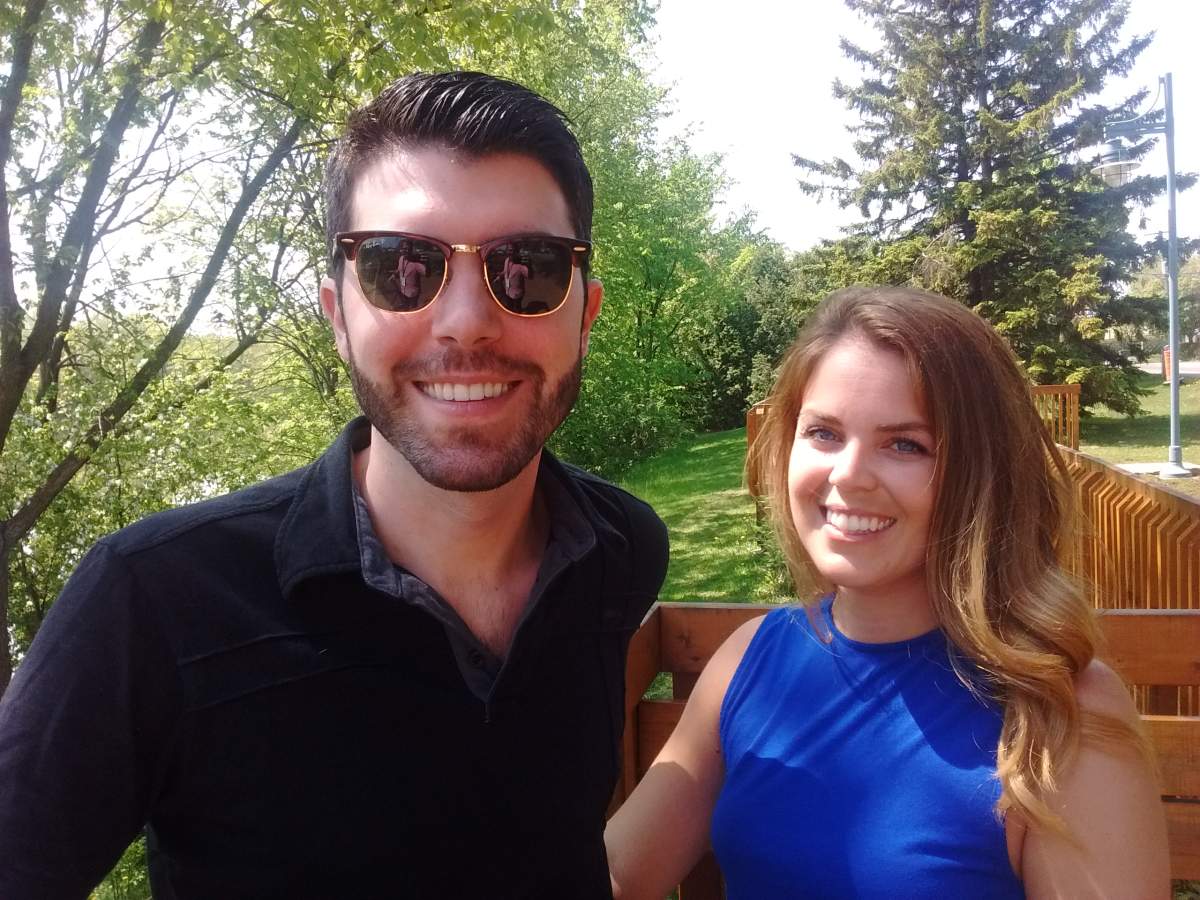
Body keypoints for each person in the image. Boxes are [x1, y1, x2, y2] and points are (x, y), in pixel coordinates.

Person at [0, 71, 668, 898]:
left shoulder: (619, 548)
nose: (465, 321)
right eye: (403, 268)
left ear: (586, 314)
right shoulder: (153, 602)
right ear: (338, 314)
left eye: (526, 267)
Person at [605, 286, 1168, 898]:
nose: (847, 475)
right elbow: (614, 876)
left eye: (906, 444)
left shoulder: (1061, 715)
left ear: (985, 475)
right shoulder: (752, 659)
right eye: (823, 433)